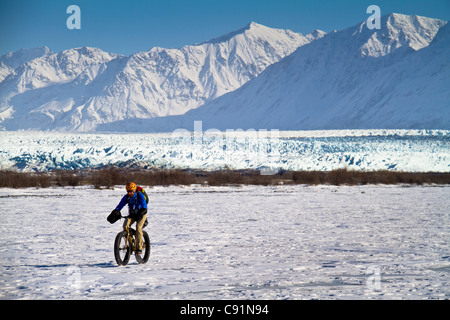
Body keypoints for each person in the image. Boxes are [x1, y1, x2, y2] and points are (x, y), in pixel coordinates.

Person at [110, 182, 147, 254]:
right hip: (132, 214)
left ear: (134, 190)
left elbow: (144, 207)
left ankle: (139, 248)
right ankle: (131, 239)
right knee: (125, 226)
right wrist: (116, 211)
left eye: (131, 191)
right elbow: (120, 205)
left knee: (138, 228)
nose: (129, 193)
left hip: (142, 214)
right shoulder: (126, 197)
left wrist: (141, 213)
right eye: (128, 191)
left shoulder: (140, 196)